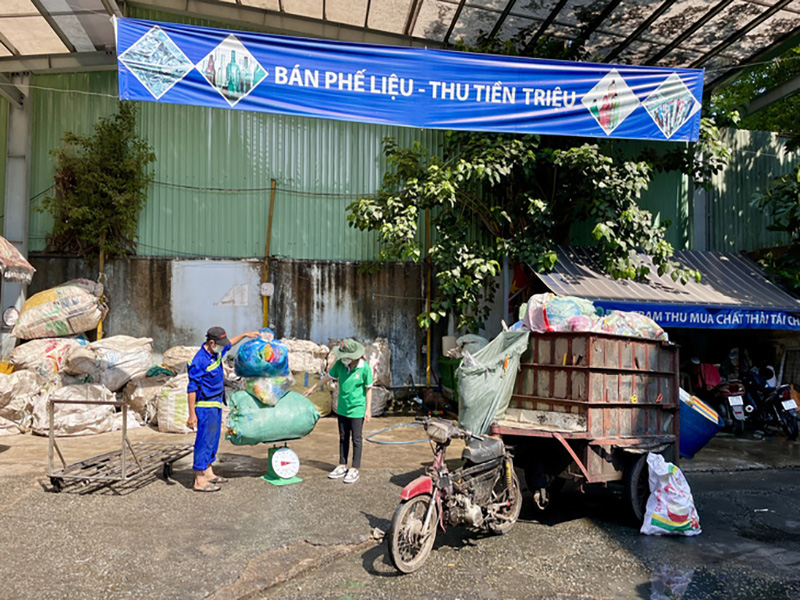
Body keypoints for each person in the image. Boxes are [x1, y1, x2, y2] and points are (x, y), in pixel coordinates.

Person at [187, 326, 259, 492]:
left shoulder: (215, 352)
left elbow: (230, 344)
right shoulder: (200, 360)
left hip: (216, 404)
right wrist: (192, 415)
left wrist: (245, 334)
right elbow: (191, 389)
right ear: (211, 343)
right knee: (203, 441)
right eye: (219, 344)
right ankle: (199, 479)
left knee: (212, 441)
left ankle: (209, 472)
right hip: (205, 407)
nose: (222, 347)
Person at [305, 338, 372, 484]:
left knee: (357, 439)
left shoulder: (364, 368)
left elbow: (368, 389)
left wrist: (368, 409)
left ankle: (355, 468)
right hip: (342, 408)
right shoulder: (340, 365)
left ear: (354, 355)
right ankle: (342, 465)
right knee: (343, 437)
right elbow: (328, 376)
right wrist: (314, 387)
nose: (343, 359)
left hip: (357, 409)